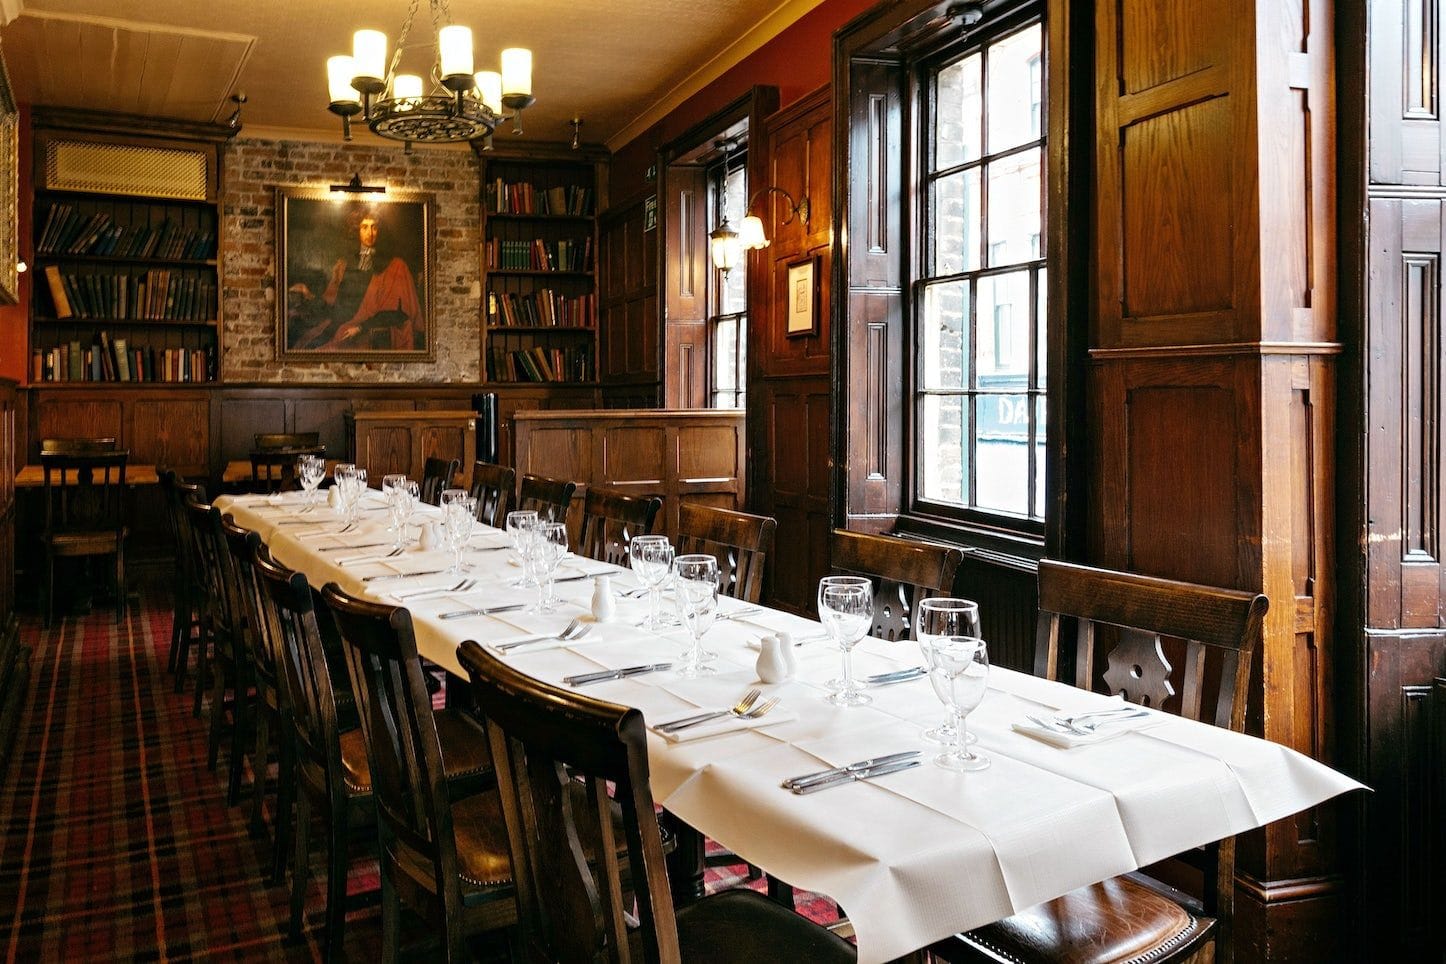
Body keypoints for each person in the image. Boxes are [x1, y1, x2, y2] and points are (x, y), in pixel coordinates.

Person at [287, 207, 424, 351]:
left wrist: (360, 327)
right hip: (339, 324)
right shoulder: (344, 265)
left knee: (328, 348)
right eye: (364, 227)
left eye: (374, 227)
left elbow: (399, 314)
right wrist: (307, 294)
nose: (370, 233)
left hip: (366, 330)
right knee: (305, 345)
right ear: (357, 230)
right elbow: (330, 305)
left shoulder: (396, 266)